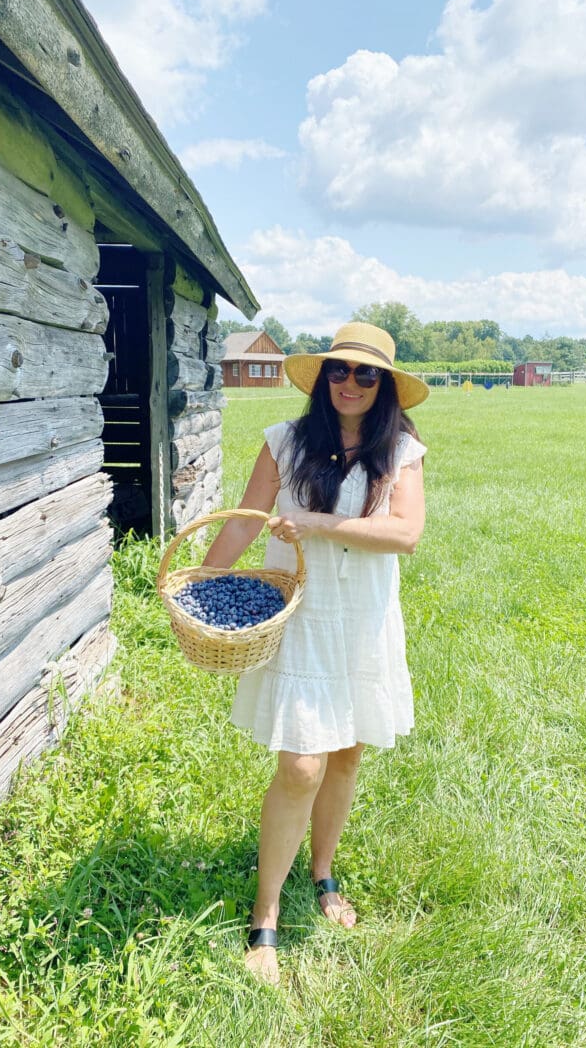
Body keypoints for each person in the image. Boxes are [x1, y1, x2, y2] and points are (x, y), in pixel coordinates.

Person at [201, 321, 429, 985]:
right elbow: (245, 519)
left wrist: (321, 524)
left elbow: (405, 534)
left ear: (384, 385)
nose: (349, 384)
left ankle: (323, 871)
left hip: (363, 621)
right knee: (301, 766)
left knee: (346, 754)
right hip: (300, 616)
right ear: (322, 377)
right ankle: (265, 913)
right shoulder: (286, 442)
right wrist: (204, 585)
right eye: (338, 370)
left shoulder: (402, 450)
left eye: (364, 374)